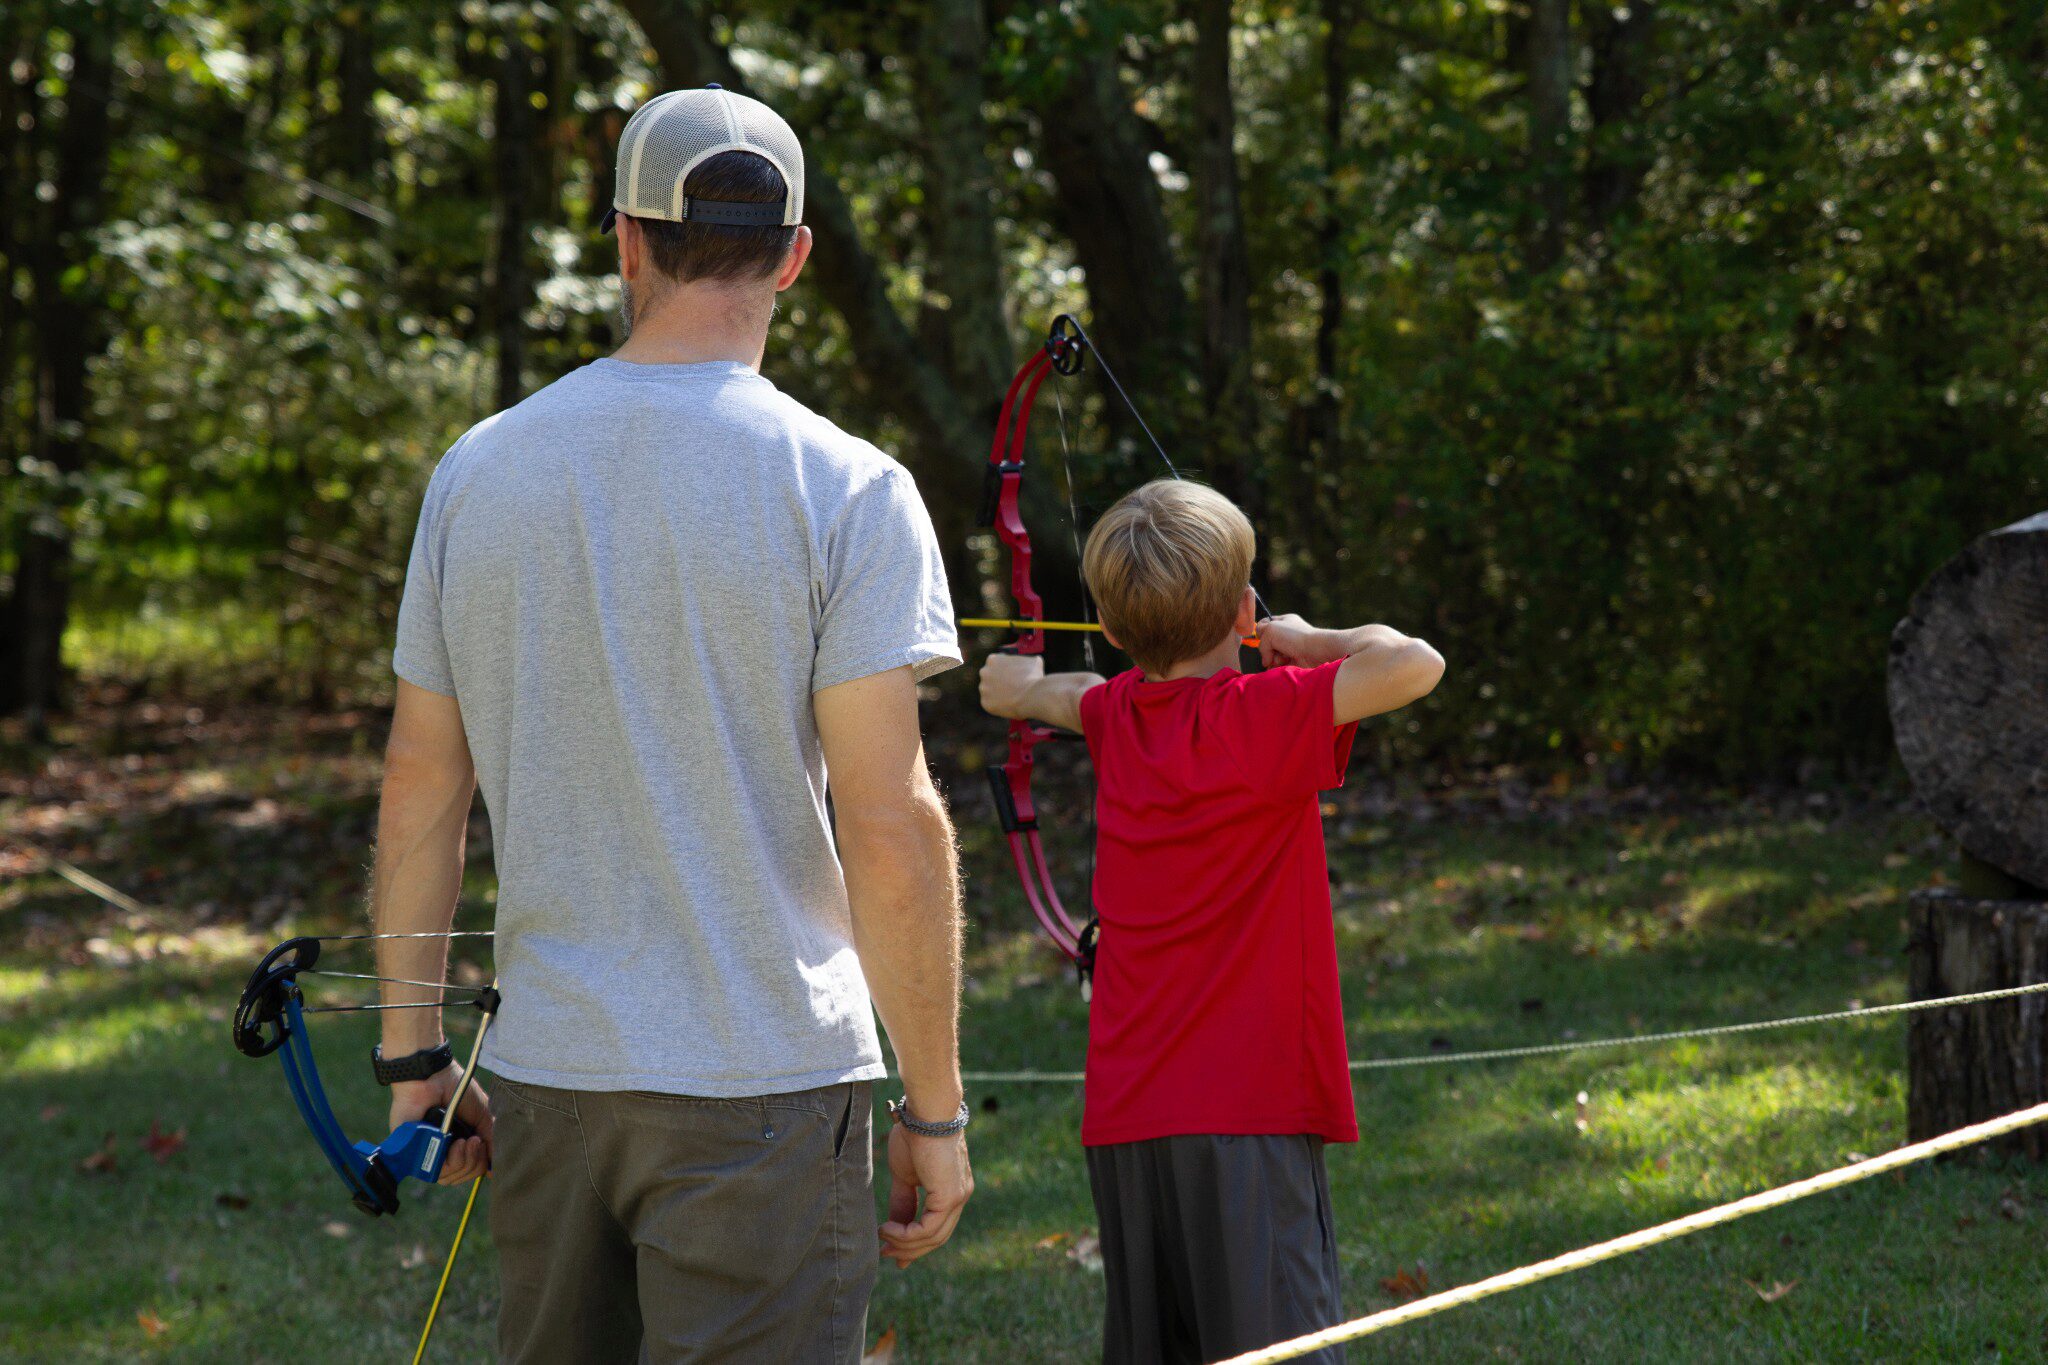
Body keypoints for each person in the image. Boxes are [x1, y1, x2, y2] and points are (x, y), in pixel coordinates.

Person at [366, 86, 973, 1363]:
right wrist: (934, 1110)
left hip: (552, 1081)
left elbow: (421, 782)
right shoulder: (850, 486)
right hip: (767, 1083)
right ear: (793, 257)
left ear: (627, 242)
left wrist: (410, 1052)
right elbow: (890, 819)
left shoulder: (480, 469)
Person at [978, 479, 1445, 1365]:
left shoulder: (1117, 716)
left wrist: (1018, 689)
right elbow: (1415, 662)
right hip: (1248, 1110)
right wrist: (1311, 639)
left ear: (1112, 629)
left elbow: (1073, 695)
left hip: (1127, 1118)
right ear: (1243, 611)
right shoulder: (1265, 713)